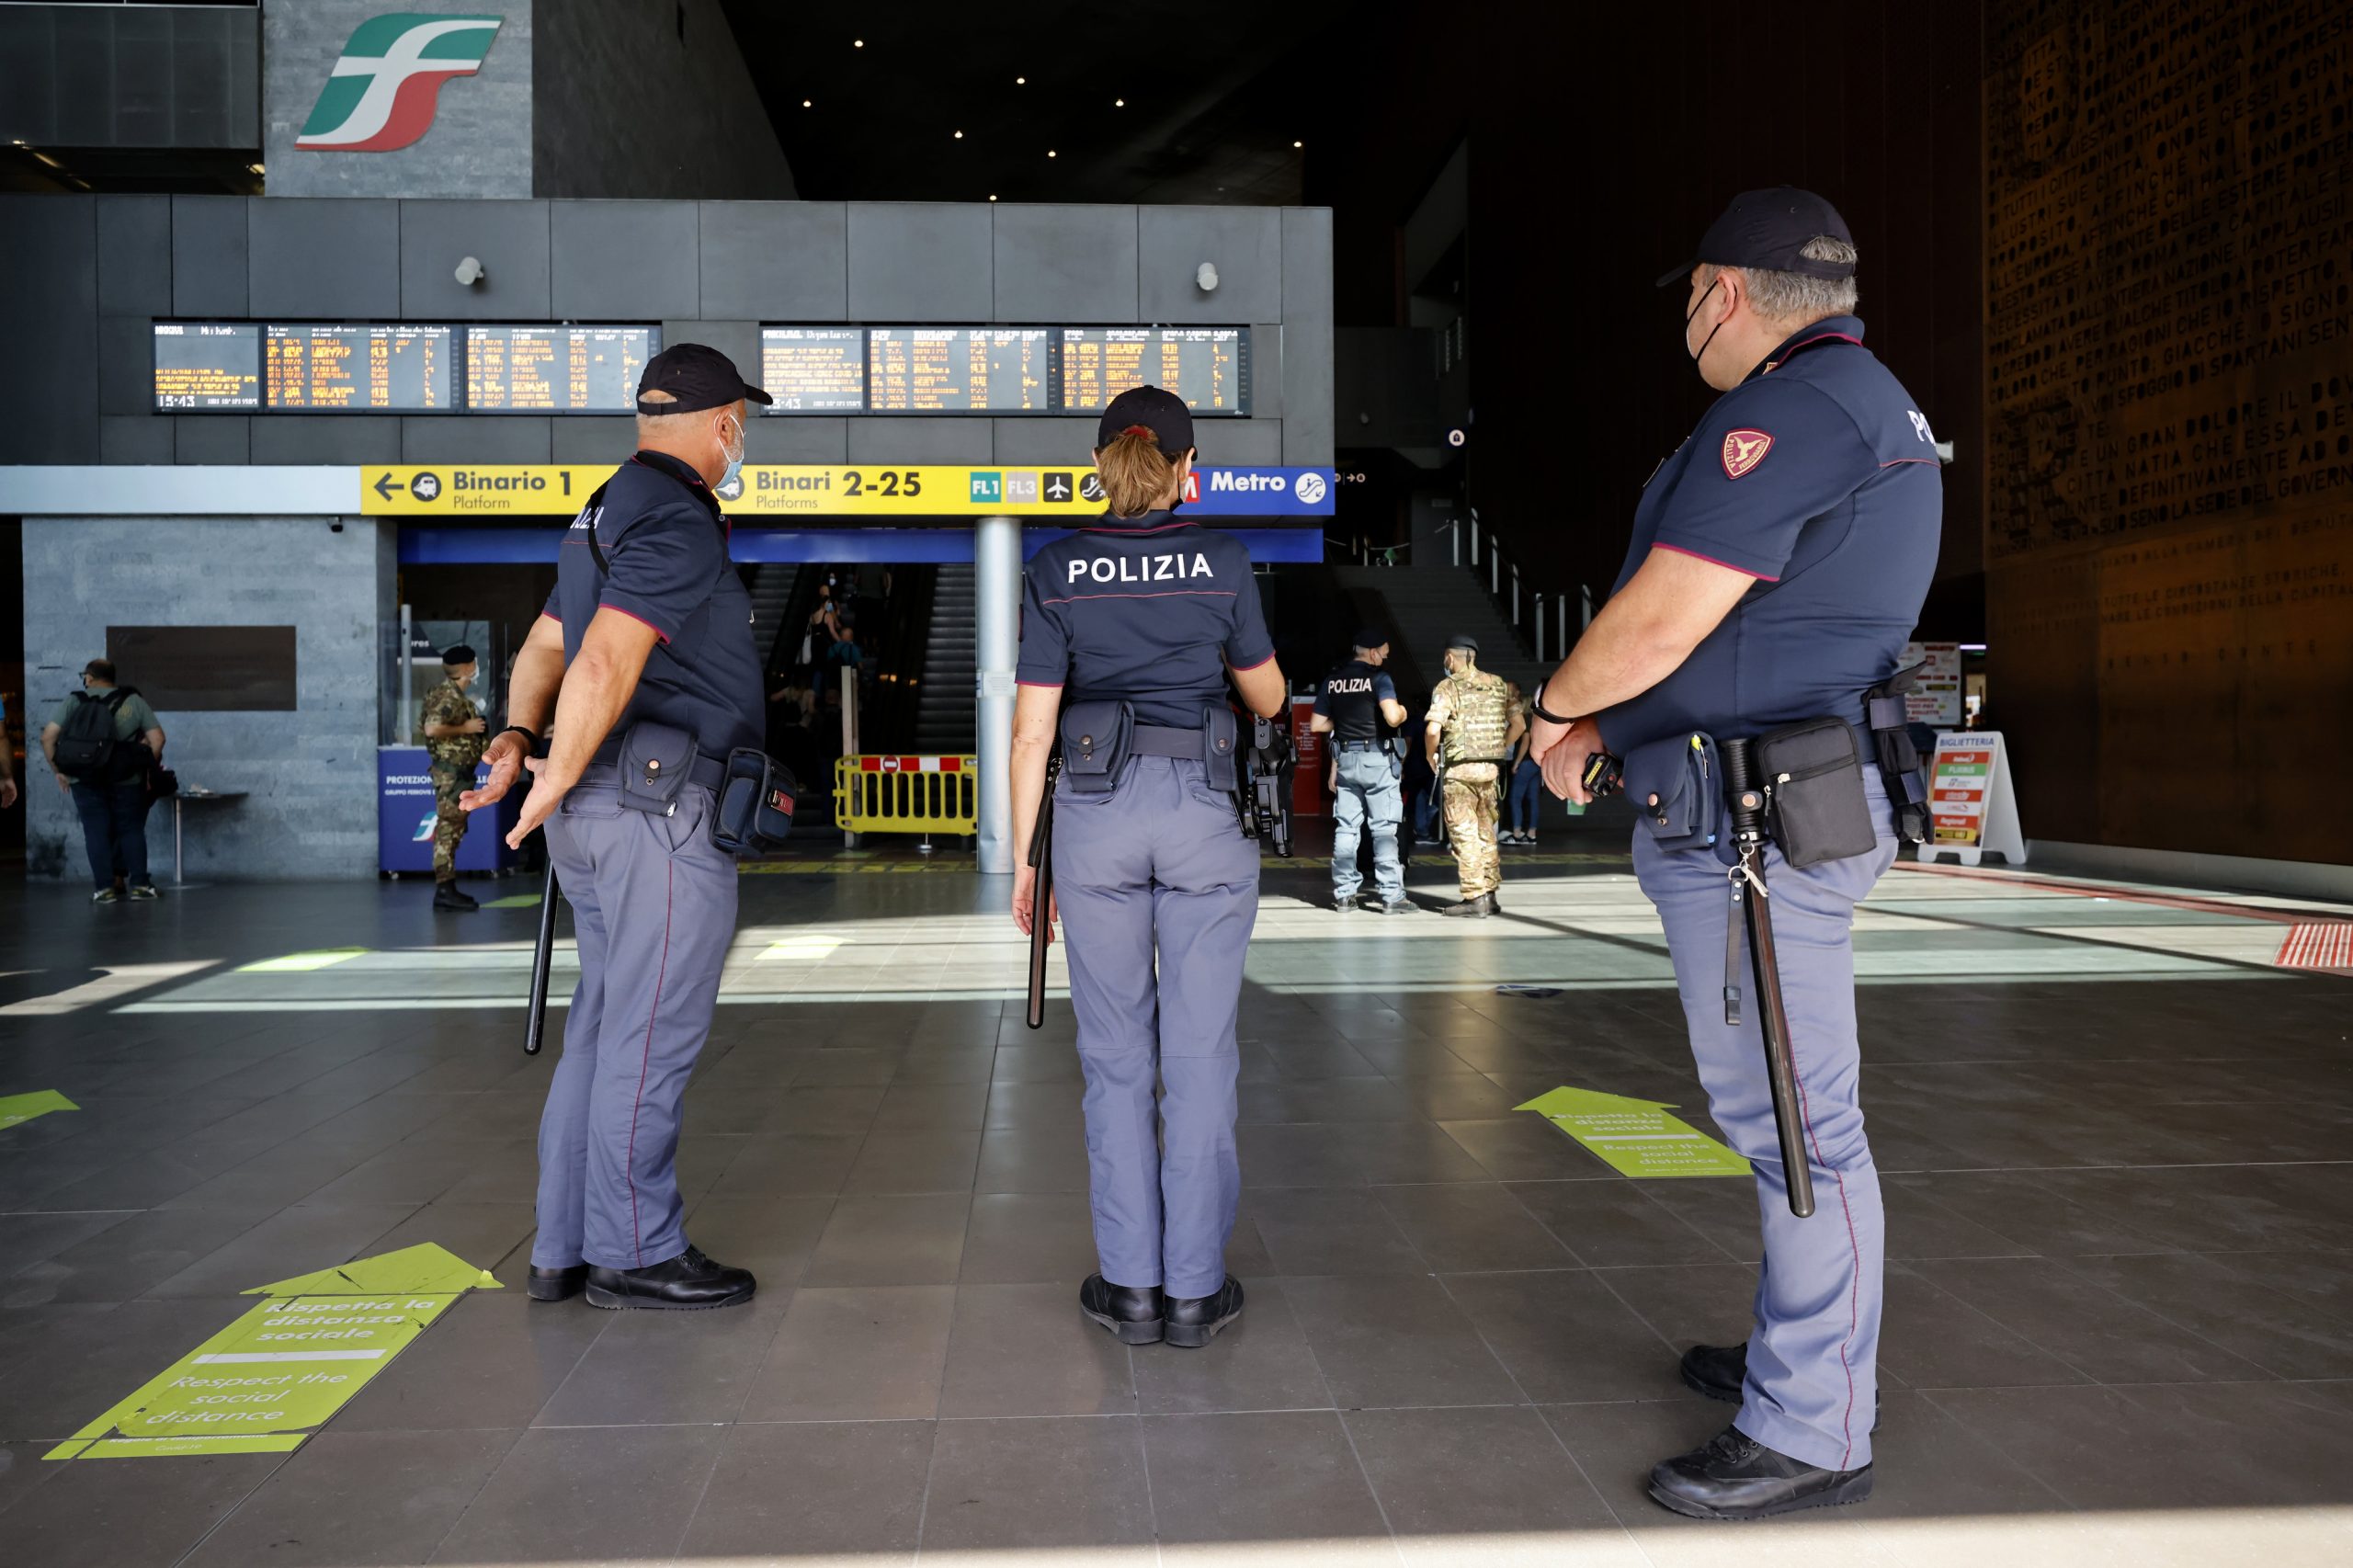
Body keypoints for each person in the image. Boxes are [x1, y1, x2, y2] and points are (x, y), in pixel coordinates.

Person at [1526, 188, 1940, 1520]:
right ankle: (1792, 1347)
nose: (1691, 321)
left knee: (1802, 1125)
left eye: (1695, 299)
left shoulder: (1799, 412)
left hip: (1761, 822)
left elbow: (1663, 615)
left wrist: (1560, 712)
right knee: (1776, 1114)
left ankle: (1814, 1423)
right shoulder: (1856, 402)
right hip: (1753, 799)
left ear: (1724, 292)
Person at [463, 343, 771, 1312]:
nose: (742, 438)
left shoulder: (601, 509)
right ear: (723, 422)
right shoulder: (679, 517)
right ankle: (635, 1248)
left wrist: (521, 738)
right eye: (742, 423)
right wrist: (547, 771)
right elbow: (599, 658)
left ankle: (563, 1245)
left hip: (597, 811)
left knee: (600, 1030)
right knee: (650, 1034)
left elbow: (542, 645)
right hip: (657, 811)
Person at [1008, 384, 1284, 1350]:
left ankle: (1130, 1285)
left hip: (1091, 813)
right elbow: (1266, 694)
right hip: (1202, 807)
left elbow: (1030, 725)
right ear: (1185, 465)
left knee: (1115, 1057)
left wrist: (1023, 857)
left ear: (1100, 465)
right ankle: (1195, 1289)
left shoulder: (1055, 566)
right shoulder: (1223, 559)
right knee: (1200, 1054)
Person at [40, 658, 165, 903]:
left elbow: (47, 738)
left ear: (88, 677)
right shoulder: (133, 701)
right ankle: (140, 885)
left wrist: (60, 770)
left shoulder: (74, 701)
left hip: (84, 777)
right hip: (126, 778)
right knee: (131, 829)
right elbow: (158, 739)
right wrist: (144, 766)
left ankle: (104, 889)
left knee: (95, 831)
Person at [1311, 630, 1411, 913]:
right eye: (1385, 653)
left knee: (1346, 828)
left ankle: (1344, 894)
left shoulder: (1333, 681)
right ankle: (1392, 897)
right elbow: (1392, 717)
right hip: (1377, 760)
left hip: (1346, 761)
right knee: (1383, 829)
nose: (1386, 658)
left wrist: (1342, 724)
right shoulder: (1380, 678)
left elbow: (1317, 725)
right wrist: (1402, 712)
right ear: (1373, 653)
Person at [1423, 635, 1519, 916]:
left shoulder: (1447, 686)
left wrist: (1431, 756)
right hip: (1489, 771)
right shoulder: (1498, 684)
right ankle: (1489, 895)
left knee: (1464, 836)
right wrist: (1499, 747)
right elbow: (1519, 724)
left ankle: (1474, 897)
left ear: (1450, 658)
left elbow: (1432, 730)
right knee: (1486, 833)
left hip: (1460, 773)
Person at [419, 643, 489, 912]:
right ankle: (444, 890)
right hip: (450, 776)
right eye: (474, 663)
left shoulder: (452, 696)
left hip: (458, 774)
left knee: (453, 831)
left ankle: (447, 888)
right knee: (448, 832)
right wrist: (466, 726)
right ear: (467, 668)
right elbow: (431, 728)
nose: (476, 667)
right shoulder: (447, 697)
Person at [1502, 682, 1543, 844]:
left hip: (1525, 763)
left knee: (1515, 798)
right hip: (1536, 763)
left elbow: (1525, 742)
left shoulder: (1525, 719)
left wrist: (1516, 763)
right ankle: (1531, 834)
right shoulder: (1538, 720)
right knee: (1533, 799)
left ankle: (1517, 833)